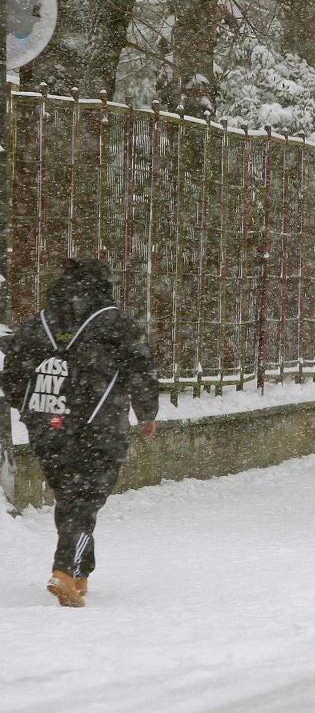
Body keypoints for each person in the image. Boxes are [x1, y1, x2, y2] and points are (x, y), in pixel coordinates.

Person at [1, 259, 158, 607]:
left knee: (71, 497)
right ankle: (64, 571)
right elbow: (140, 365)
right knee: (85, 499)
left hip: (47, 426)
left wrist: (29, 410)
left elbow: (11, 371)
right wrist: (147, 412)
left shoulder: (39, 323)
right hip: (99, 425)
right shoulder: (115, 322)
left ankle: (82, 571)